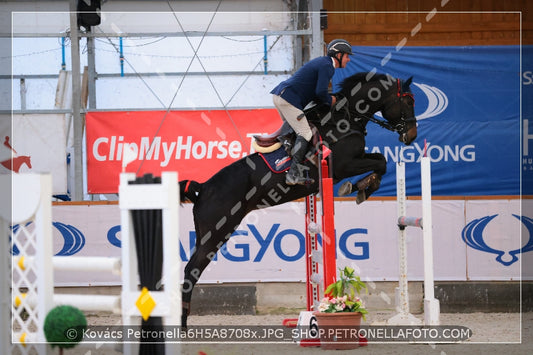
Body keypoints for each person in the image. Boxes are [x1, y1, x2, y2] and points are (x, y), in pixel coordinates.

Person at [270, 39, 353, 185]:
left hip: (281, 96)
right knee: (305, 133)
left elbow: (316, 93)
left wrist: (327, 98)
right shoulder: (328, 66)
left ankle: (285, 164)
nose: (349, 59)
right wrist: (330, 100)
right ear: (338, 55)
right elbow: (321, 92)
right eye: (347, 55)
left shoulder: (323, 63)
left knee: (295, 132)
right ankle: (292, 175)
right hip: (288, 99)